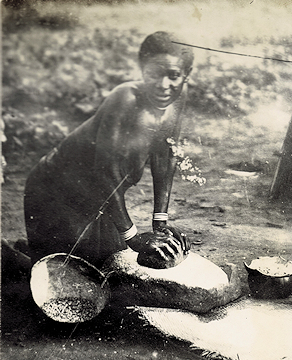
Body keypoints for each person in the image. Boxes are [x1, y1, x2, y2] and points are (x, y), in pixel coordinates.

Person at [24, 31, 193, 268]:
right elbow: (106, 172)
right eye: (154, 74)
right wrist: (132, 237)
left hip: (100, 199)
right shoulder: (125, 98)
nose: (164, 86)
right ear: (142, 68)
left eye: (174, 76)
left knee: (110, 269)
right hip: (57, 193)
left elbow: (165, 156)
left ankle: (28, 249)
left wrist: (160, 224)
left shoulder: (178, 98)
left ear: (186, 75)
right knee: (69, 277)